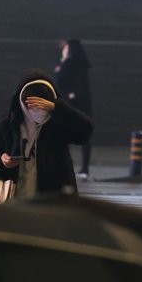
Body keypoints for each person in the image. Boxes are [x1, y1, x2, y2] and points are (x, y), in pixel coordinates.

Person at [0, 72, 93, 199]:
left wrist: (58, 108)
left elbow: (85, 131)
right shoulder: (6, 127)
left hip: (53, 201)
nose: (37, 111)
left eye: (42, 106)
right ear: (21, 103)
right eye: (31, 105)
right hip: (13, 201)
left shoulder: (57, 125)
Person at [53, 39, 93, 178]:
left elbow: (58, 80)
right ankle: (85, 167)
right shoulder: (82, 63)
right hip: (84, 104)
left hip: (71, 104)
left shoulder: (69, 62)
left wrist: (62, 61)